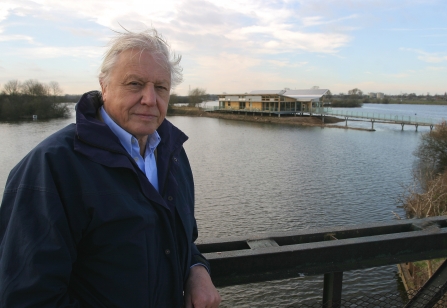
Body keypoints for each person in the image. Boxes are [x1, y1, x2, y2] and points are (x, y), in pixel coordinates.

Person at [0, 29, 221, 307]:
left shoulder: (172, 153)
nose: (150, 99)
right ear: (103, 87)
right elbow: (27, 297)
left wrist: (196, 270)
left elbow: (181, 240)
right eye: (134, 84)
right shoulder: (51, 166)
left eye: (161, 87)